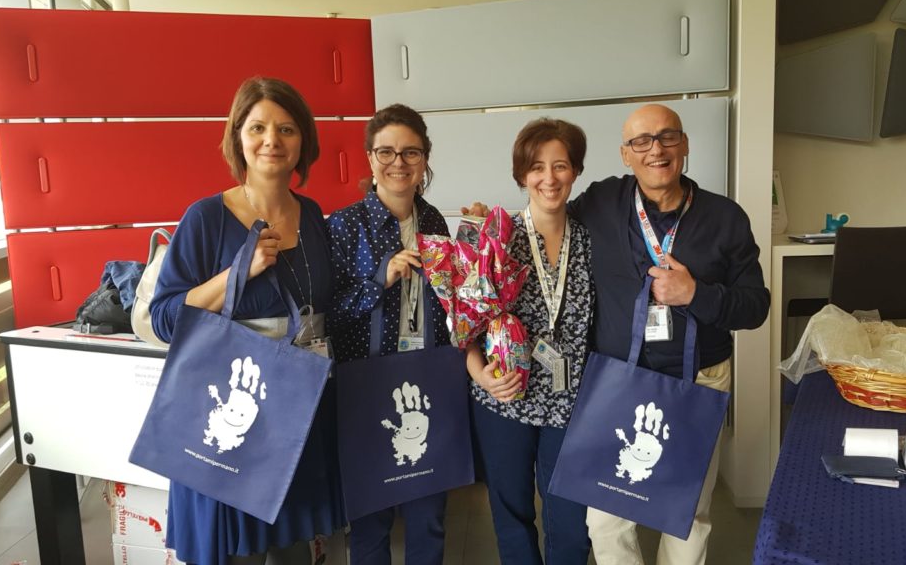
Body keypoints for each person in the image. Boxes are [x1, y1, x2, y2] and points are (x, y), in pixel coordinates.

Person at [464, 103, 769, 565]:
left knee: (686, 512)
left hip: (694, 379)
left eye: (667, 137)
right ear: (625, 154)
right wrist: (484, 231)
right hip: (614, 382)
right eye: (640, 141)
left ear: (685, 144)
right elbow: (476, 305)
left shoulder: (725, 218)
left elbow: (756, 306)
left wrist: (696, 294)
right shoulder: (601, 204)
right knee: (605, 520)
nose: (655, 150)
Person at [150, 77, 345, 565]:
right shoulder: (205, 218)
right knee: (239, 555)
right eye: (257, 127)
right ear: (238, 137)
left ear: (303, 141)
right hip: (233, 422)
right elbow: (165, 318)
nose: (271, 140)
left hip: (297, 413)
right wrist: (239, 270)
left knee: (294, 552)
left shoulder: (313, 215)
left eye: (286, 129)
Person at [327, 103, 451, 565]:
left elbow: (449, 303)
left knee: (428, 516)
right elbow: (326, 317)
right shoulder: (342, 227)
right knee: (370, 519)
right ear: (370, 158)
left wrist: (476, 242)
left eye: (410, 152)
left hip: (427, 382)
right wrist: (379, 280)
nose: (398, 162)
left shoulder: (435, 222)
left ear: (424, 159)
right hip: (365, 387)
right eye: (386, 152)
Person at [466, 118, 594, 565]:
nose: (549, 178)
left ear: (575, 170)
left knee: (571, 520)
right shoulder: (496, 240)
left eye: (560, 165)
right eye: (537, 167)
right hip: (505, 396)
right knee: (511, 513)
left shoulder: (593, 240)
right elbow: (465, 325)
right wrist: (480, 375)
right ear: (522, 175)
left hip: (573, 399)